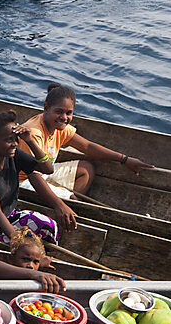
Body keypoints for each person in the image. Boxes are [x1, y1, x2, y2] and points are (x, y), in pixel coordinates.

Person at [21, 83, 153, 229]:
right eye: (59, 112)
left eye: (69, 113)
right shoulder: (34, 133)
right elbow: (33, 175)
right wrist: (59, 205)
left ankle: (72, 206)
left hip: (45, 172)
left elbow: (87, 146)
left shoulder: (59, 127)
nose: (64, 117)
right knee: (70, 200)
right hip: (24, 180)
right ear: (46, 108)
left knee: (86, 169)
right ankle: (70, 209)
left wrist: (124, 159)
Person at [0, 111, 60, 243]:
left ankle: (37, 258)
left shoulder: (14, 155)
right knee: (24, 242)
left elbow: (48, 169)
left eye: (16, 139)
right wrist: (19, 240)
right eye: (8, 140)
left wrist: (29, 140)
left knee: (48, 225)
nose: (15, 144)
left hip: (9, 215)